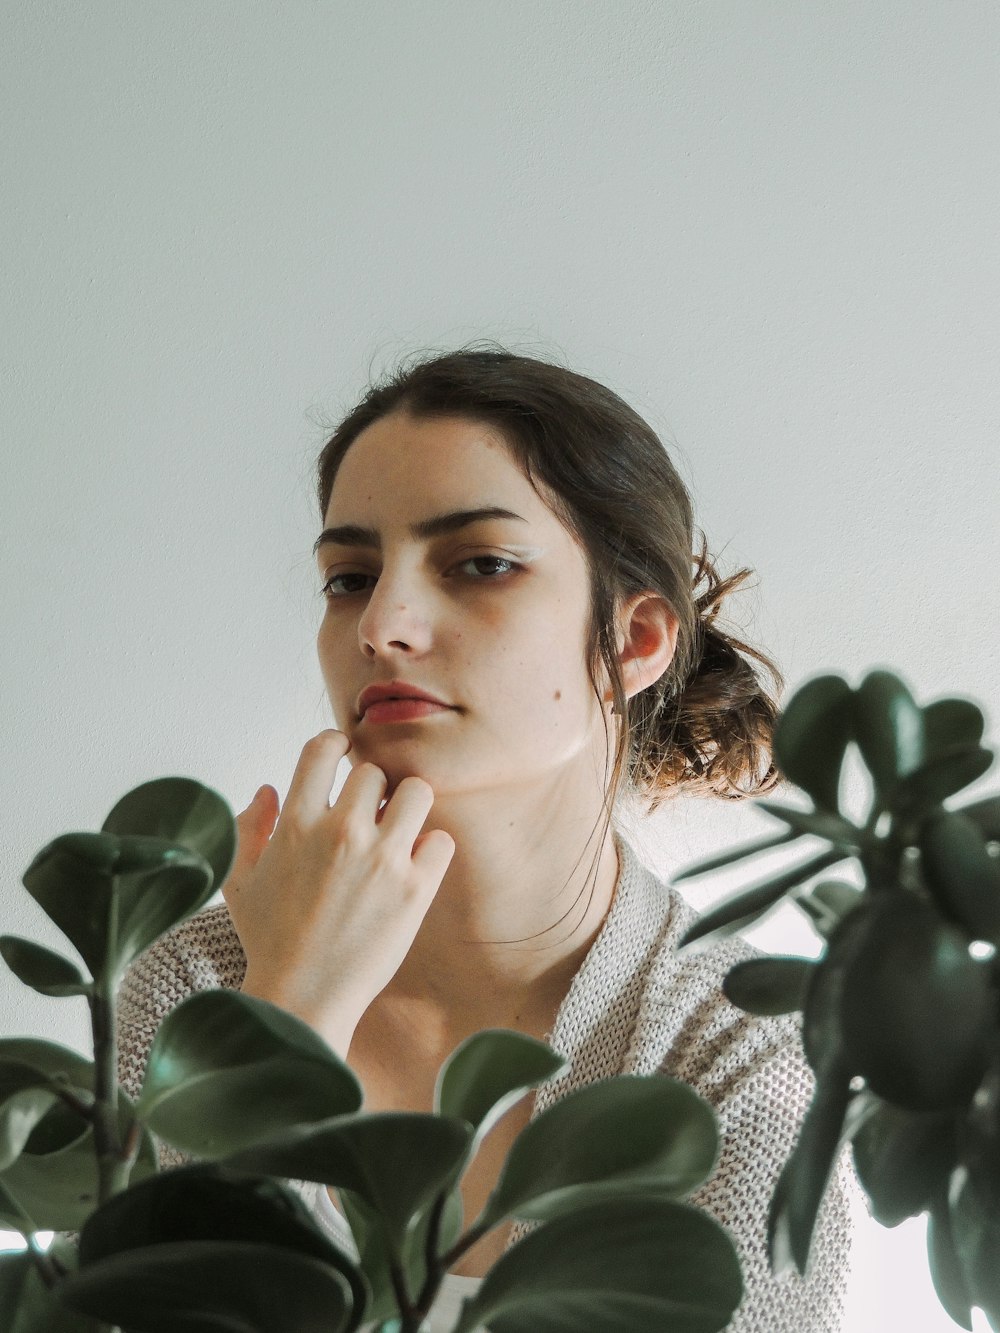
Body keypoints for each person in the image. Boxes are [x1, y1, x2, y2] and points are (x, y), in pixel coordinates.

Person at [117, 345, 852, 1331]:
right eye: (349, 575)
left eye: (479, 564)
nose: (384, 622)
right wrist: (288, 1017)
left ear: (632, 640)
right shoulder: (198, 988)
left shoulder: (739, 1056)